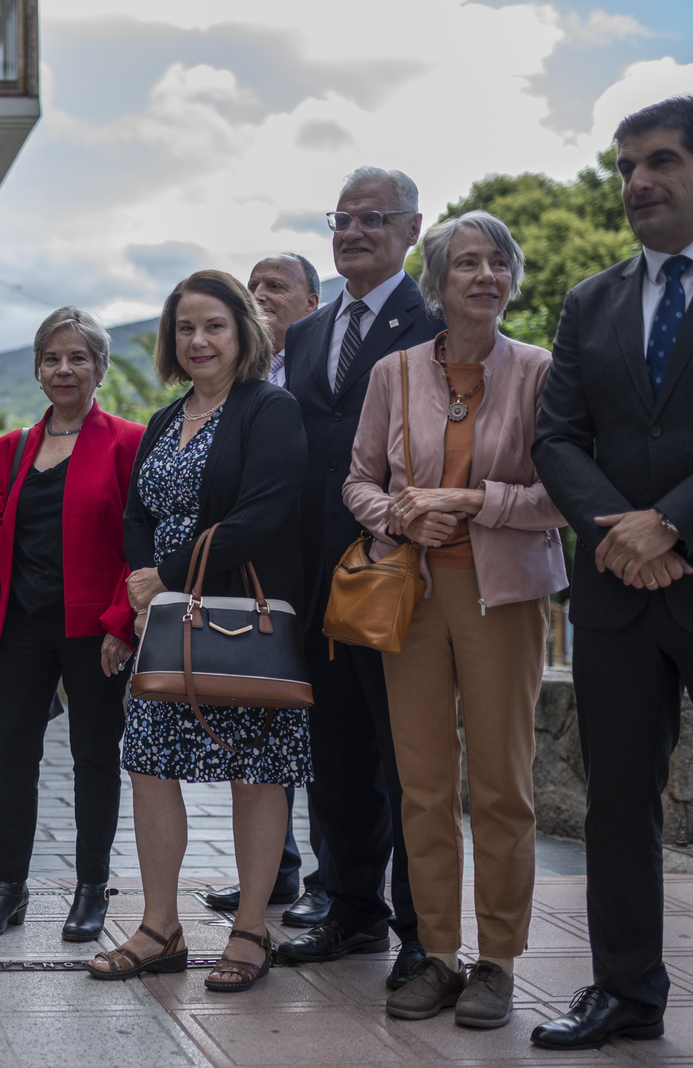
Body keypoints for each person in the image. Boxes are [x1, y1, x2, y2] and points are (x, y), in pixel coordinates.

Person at [344, 210, 567, 1028]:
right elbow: (359, 482)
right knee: (424, 785)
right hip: (412, 600)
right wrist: (401, 517)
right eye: (465, 264)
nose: (484, 275)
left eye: (496, 263)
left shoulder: (543, 371)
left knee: (505, 787)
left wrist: (473, 501)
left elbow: (559, 496)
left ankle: (498, 959)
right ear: (433, 287)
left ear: (510, 279)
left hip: (504, 600)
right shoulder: (393, 374)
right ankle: (437, 954)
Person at [87, 270, 306, 992]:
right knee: (149, 764)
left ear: (243, 329)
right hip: (167, 622)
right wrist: (147, 583)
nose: (199, 340)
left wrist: (170, 575)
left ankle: (250, 931)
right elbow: (136, 515)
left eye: (213, 325)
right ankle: (160, 929)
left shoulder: (269, 409)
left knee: (256, 772)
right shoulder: (163, 418)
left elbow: (264, 512)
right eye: (185, 328)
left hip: (240, 621)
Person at [530, 95, 693, 1051]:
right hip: (616, 591)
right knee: (616, 802)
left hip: (673, 556)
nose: (639, 183)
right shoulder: (590, 300)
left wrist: (669, 521)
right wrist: (624, 535)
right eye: (627, 167)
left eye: (662, 161)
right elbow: (558, 436)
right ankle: (626, 993)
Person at [280, 166, 443, 988]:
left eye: (372, 218)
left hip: (403, 574)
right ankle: (351, 912)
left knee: (406, 758)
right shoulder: (306, 333)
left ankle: (424, 933)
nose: (351, 231)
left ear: (413, 229)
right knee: (336, 754)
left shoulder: (436, 322)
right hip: (316, 581)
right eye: (340, 219)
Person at [0, 307, 144, 941]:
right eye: (52, 358)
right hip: (19, 629)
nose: (64, 369)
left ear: (100, 367)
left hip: (95, 628)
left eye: (78, 358)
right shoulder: (10, 449)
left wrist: (124, 621)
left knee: (95, 755)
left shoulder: (129, 440)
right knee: (13, 756)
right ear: (38, 369)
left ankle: (91, 887)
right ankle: (9, 888)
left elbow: (139, 542)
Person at [203, 252, 330, 930]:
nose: (260, 295)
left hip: (318, 576)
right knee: (257, 728)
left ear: (313, 303)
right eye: (252, 287)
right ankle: (271, 873)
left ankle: (330, 879)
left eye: (275, 286)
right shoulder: (236, 384)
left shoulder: (320, 373)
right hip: (251, 584)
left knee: (329, 735)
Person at [249, 253, 321, 388]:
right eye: (251, 288)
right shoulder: (229, 367)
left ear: (310, 303)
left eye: (274, 286)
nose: (256, 296)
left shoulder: (329, 362)